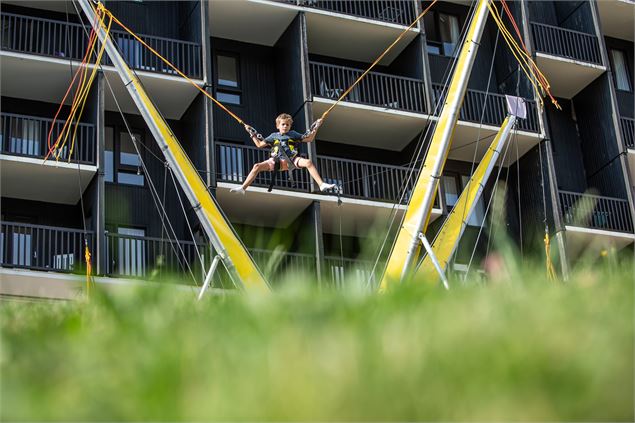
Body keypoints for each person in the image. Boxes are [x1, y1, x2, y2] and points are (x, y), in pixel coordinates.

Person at [230, 113, 336, 194]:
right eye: (283, 124)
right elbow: (259, 144)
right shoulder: (273, 136)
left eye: (288, 125)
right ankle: (243, 188)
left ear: (290, 126)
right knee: (256, 166)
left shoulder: (293, 134)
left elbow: (309, 138)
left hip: (292, 160)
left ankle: (321, 184)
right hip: (277, 162)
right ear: (278, 125)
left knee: (308, 162)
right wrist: (251, 133)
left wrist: (316, 126)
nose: (285, 126)